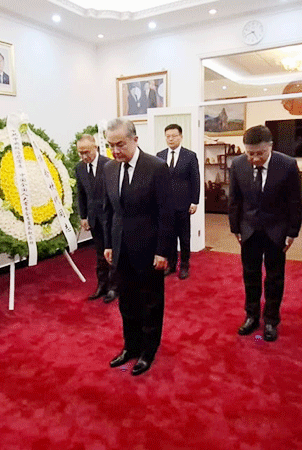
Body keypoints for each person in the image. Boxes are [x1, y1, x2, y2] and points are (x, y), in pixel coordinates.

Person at [102, 118, 173, 375]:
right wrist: (108, 244)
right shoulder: (109, 168)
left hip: (149, 248)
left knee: (151, 302)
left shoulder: (156, 167)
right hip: (120, 248)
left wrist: (163, 251)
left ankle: (148, 350)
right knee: (127, 301)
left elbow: (166, 213)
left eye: (120, 144)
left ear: (135, 139)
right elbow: (109, 210)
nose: (115, 150)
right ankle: (130, 346)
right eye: (111, 145)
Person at [228, 125, 302, 341]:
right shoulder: (238, 164)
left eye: (259, 153)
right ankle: (251, 316)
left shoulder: (287, 164)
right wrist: (235, 228)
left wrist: (292, 232)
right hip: (248, 229)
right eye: (250, 153)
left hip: (276, 230)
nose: (254, 158)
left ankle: (271, 320)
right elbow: (235, 199)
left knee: (274, 277)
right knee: (250, 276)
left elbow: (295, 201)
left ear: (270, 147)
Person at [74, 134, 116, 303]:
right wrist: (83, 216)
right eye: (80, 153)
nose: (84, 156)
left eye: (87, 152)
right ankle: (102, 285)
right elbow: (81, 194)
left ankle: (114, 287)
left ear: (95, 148)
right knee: (99, 254)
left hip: (110, 217)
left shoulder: (109, 164)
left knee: (112, 252)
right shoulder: (79, 168)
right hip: (94, 218)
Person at [156, 124, 200, 279]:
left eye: (174, 136)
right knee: (169, 237)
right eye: (168, 136)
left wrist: (195, 201)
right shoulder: (159, 155)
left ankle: (185, 266)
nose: (170, 139)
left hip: (184, 204)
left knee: (184, 238)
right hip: (166, 206)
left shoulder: (190, 156)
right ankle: (172, 264)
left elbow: (195, 179)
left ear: (181, 137)